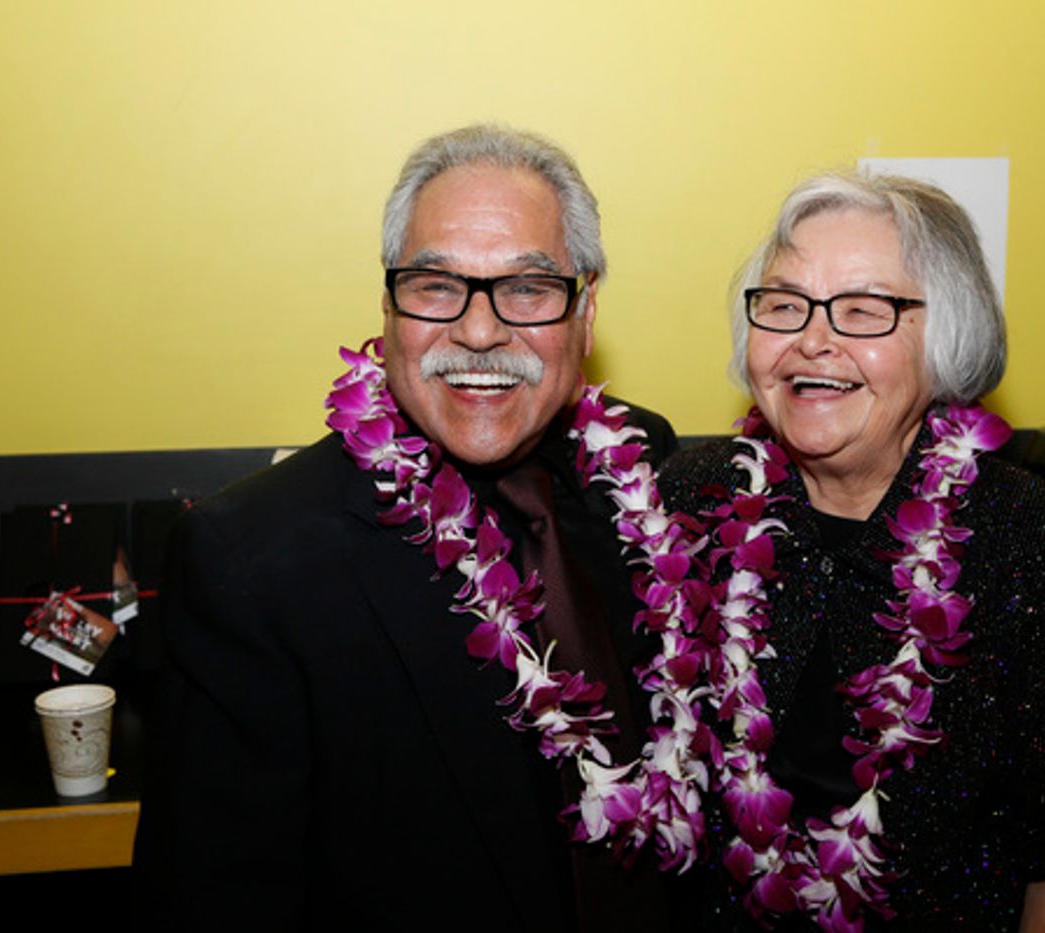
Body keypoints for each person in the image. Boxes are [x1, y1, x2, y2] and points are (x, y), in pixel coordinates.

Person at [132, 125, 680, 931]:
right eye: (436, 285)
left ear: (586, 313)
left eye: (528, 287)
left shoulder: (644, 471)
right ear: (389, 308)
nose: (481, 331)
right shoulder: (252, 564)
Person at [659, 172, 1045, 931]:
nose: (814, 339)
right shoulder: (688, 502)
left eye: (864, 310)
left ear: (947, 337)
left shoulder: (1032, 538)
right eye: (783, 305)